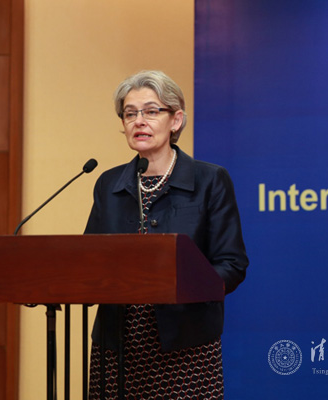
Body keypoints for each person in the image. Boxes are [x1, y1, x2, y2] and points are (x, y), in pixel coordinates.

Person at [84, 70, 249, 399]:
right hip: (117, 344)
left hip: (186, 345)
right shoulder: (109, 184)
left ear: (176, 120)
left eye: (151, 111)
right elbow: (89, 259)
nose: (139, 121)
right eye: (130, 113)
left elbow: (232, 264)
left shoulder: (210, 180)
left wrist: (182, 288)